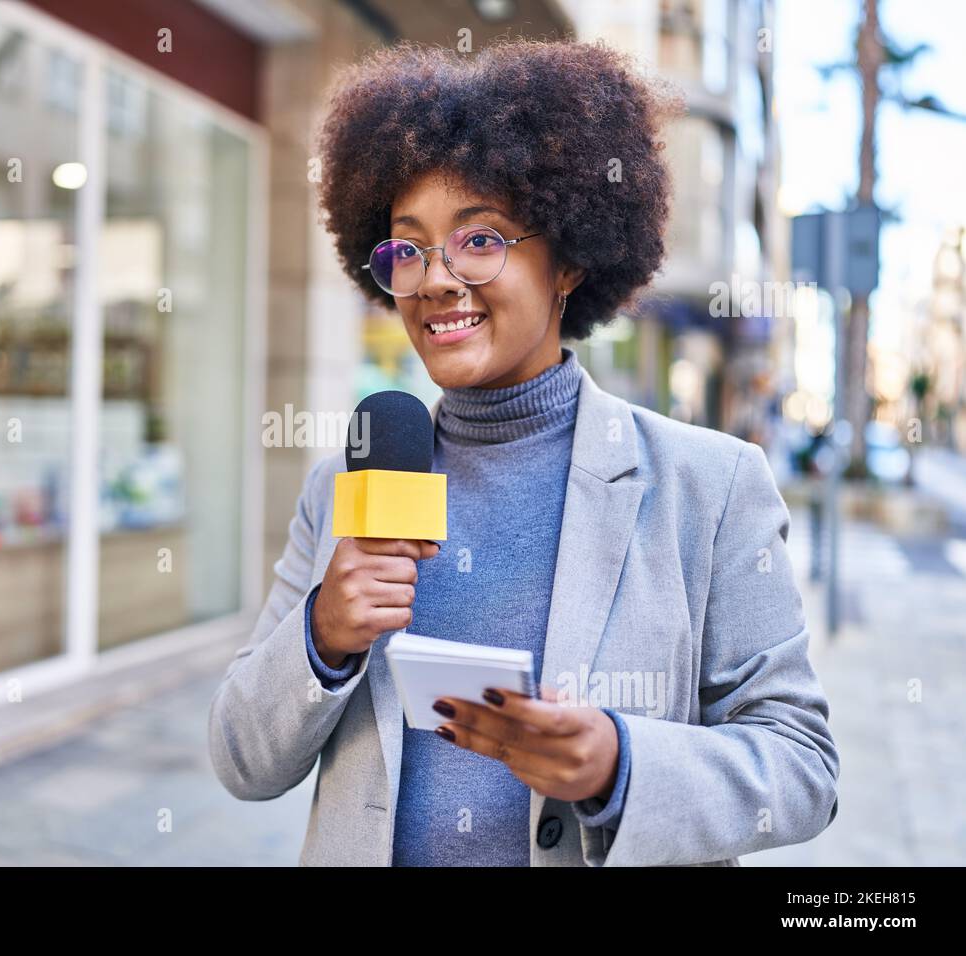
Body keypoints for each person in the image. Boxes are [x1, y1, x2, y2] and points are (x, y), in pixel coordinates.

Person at [208, 37, 839, 866]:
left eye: (480, 240)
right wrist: (322, 636)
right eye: (408, 249)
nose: (435, 280)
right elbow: (242, 761)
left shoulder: (710, 488)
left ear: (570, 258)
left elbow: (802, 768)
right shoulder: (344, 489)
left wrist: (620, 764)